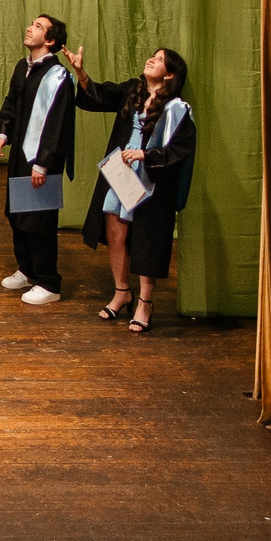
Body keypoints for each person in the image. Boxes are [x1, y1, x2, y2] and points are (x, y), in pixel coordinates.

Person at [73, 45, 196, 334]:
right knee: (116, 232)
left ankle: (145, 302)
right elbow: (99, 96)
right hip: (121, 172)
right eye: (153, 55)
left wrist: (146, 155)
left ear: (170, 75)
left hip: (151, 177)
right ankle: (121, 291)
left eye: (160, 59)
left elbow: (180, 149)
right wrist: (80, 73)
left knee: (146, 238)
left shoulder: (176, 108)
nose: (152, 59)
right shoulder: (132, 90)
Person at [0, 13, 77, 305]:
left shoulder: (58, 77)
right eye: (31, 24)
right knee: (17, 214)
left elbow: (56, 124)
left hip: (41, 161)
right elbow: (12, 103)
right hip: (20, 155)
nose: (29, 28)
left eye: (38, 27)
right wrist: (4, 133)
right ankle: (27, 270)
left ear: (50, 41)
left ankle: (49, 282)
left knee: (39, 220)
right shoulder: (23, 67)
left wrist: (43, 163)